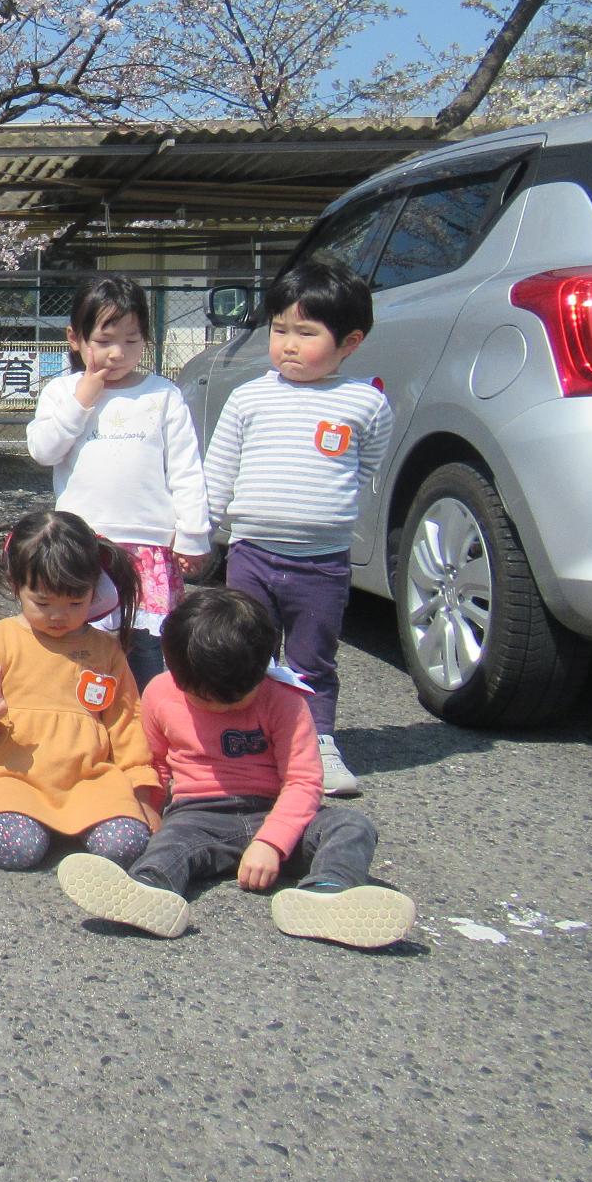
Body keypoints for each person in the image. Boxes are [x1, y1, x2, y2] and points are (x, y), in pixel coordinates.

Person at [56, 588, 416, 947]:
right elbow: (154, 765)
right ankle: (147, 891)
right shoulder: (160, 694)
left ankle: (329, 894)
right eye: (203, 699)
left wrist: (272, 844)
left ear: (261, 671)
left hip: (275, 810)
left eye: (235, 700)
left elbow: (303, 781)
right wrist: (149, 810)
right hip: (198, 813)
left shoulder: (283, 700)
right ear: (177, 672)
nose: (219, 709)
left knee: (351, 825)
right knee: (170, 844)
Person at [201, 258, 394, 797]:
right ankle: (245, 738)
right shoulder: (250, 397)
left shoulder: (365, 403)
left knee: (312, 657)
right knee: (247, 650)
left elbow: (366, 466)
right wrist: (198, 536)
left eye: (306, 333)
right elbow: (220, 470)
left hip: (323, 561)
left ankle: (317, 742)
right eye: (279, 330)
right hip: (252, 553)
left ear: (349, 341)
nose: (287, 344)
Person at [0, 509, 160, 871]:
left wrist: (143, 794)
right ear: (17, 585)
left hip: (84, 779)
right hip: (7, 775)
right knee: (18, 849)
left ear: (95, 588)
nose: (59, 615)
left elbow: (126, 725)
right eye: (42, 602)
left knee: (127, 844)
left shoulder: (106, 650)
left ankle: (63, 827)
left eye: (76, 603)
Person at [25, 275, 210, 687]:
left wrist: (193, 534)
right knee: (81, 638)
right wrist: (84, 397)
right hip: (84, 544)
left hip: (148, 542)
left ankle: (141, 729)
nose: (118, 353)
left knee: (144, 644)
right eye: (106, 340)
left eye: (131, 340)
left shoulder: (161, 394)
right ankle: (83, 726)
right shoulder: (62, 391)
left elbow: (185, 467)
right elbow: (43, 450)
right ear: (75, 338)